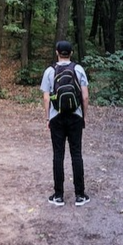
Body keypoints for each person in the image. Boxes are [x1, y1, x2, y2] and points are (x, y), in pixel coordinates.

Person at [40, 40, 90, 206]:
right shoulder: (78, 69)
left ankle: (59, 195)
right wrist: (84, 116)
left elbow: (46, 97)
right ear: (71, 53)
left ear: (57, 52)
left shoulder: (49, 71)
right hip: (75, 116)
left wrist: (48, 118)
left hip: (57, 117)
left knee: (58, 155)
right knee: (76, 154)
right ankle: (80, 195)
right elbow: (85, 96)